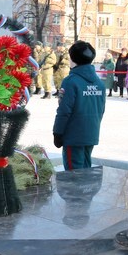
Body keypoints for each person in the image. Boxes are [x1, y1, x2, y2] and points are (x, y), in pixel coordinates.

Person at [52, 41, 105, 170]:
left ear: (73, 58)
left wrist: (57, 132)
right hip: (90, 134)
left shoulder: (71, 82)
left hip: (73, 137)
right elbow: (101, 110)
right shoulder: (99, 83)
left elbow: (64, 111)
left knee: (73, 177)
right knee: (86, 174)